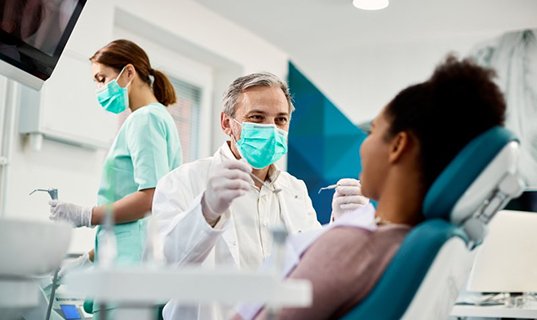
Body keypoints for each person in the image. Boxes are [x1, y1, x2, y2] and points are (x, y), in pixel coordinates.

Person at [234, 55, 507, 320]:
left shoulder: (349, 246)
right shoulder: (416, 242)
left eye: (372, 131)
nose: (363, 146)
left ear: (398, 146)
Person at [152, 72, 368, 320]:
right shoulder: (184, 180)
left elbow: (311, 269)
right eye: (257, 117)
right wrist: (207, 211)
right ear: (227, 123)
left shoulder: (295, 189)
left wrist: (340, 227)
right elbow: (166, 267)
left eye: (281, 120)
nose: (271, 128)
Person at [48, 39, 182, 314]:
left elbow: (150, 200)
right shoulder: (158, 118)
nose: (100, 89)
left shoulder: (145, 120)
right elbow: (133, 229)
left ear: (129, 73)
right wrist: (88, 259)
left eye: (102, 78)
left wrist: (87, 215)